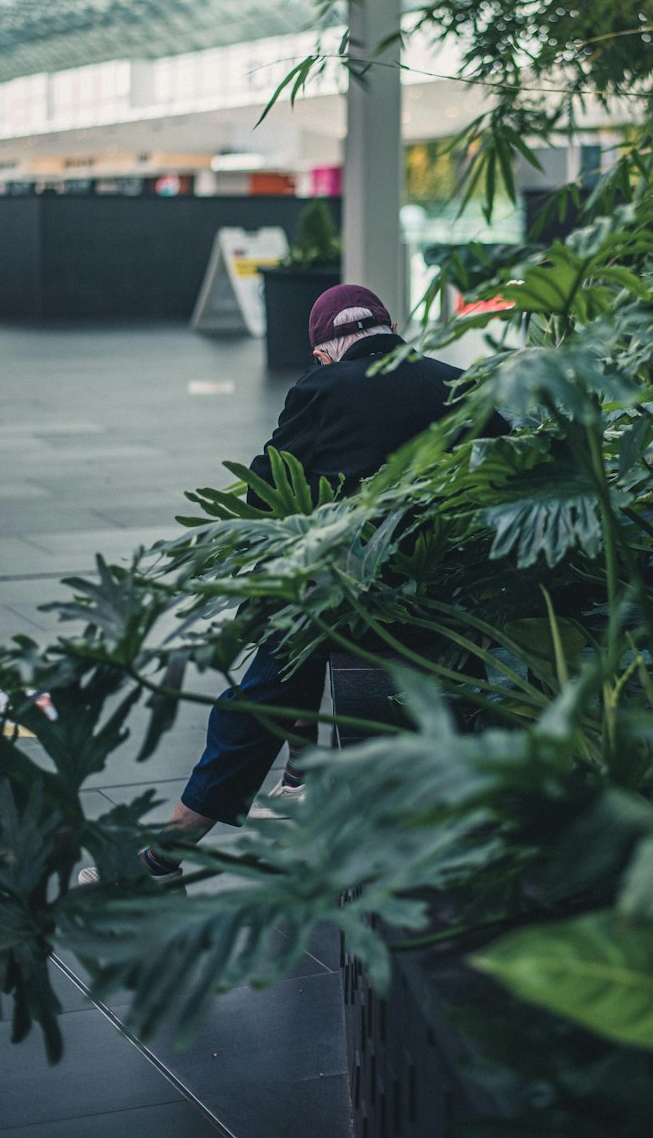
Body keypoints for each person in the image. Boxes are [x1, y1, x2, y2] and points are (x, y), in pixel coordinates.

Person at [80, 283, 475, 886]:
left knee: (266, 664)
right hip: (452, 594)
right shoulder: (454, 379)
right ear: (386, 330)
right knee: (294, 614)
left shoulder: (321, 388)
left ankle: (165, 855)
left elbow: (269, 489)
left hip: (348, 597)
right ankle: (302, 775)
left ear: (326, 348)